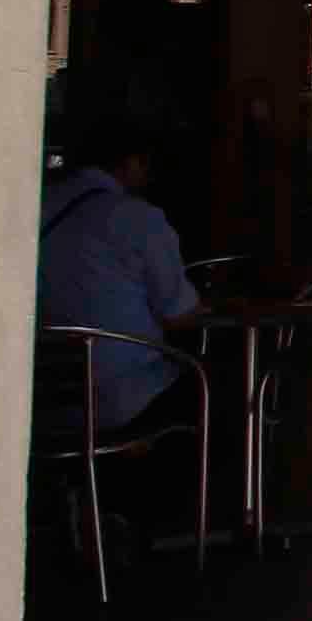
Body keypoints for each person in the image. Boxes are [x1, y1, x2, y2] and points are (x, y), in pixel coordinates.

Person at [40, 91, 201, 431]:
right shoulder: (136, 218)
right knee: (217, 388)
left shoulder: (39, 208)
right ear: (132, 163)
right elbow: (179, 314)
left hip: (45, 403)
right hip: (125, 398)